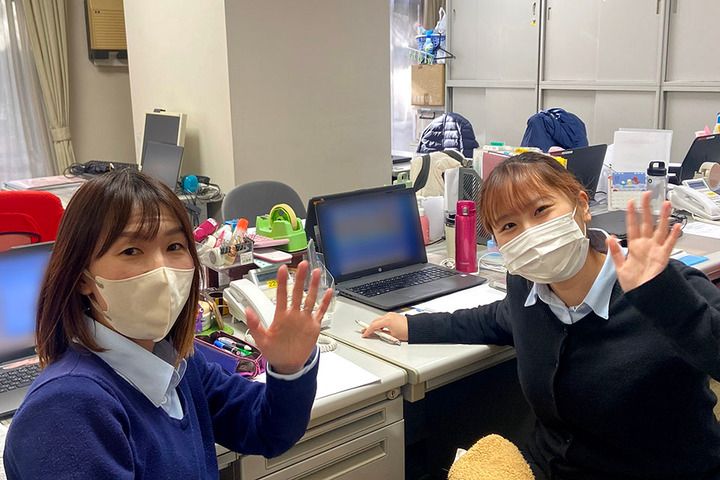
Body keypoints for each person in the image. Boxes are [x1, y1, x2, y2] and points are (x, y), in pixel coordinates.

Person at [363, 152, 720, 480]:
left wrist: (665, 300)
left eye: (541, 210)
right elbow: (494, 319)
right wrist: (410, 325)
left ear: (582, 206)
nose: (530, 234)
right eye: (508, 226)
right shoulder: (526, 288)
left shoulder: (663, 287)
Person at [4, 170, 333, 479]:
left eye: (174, 246)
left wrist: (289, 369)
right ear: (82, 278)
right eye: (131, 250)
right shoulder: (66, 410)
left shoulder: (176, 362)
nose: (161, 271)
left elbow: (266, 430)